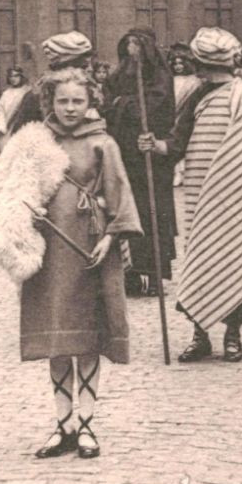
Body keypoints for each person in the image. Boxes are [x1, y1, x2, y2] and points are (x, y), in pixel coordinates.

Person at [0, 68, 140, 460]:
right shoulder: (34, 140)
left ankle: (85, 425)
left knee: (88, 337)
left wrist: (110, 240)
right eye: (62, 100)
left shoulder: (104, 143)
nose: (69, 108)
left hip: (90, 249)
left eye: (77, 101)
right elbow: (12, 188)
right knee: (58, 337)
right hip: (48, 252)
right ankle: (62, 424)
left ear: (91, 102)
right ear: (50, 102)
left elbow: (120, 196)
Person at [138, 29, 242, 363]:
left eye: (207, 68)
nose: (204, 74)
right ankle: (200, 335)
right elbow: (178, 141)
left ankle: (233, 335)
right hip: (198, 193)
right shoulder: (196, 96)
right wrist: (157, 146)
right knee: (201, 260)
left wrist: (231, 178)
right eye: (203, 68)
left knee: (234, 259)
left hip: (236, 197)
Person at [103, 28, 177, 299]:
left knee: (154, 214)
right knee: (125, 211)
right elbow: (107, 105)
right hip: (123, 153)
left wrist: (125, 104)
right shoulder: (116, 76)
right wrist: (125, 104)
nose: (132, 49)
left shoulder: (160, 76)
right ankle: (131, 274)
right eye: (128, 43)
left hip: (150, 156)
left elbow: (158, 106)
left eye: (137, 44)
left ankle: (157, 275)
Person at [5, 31, 95, 134]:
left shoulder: (89, 92)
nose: (90, 69)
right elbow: (20, 139)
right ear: (65, 68)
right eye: (84, 66)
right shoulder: (36, 97)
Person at [0, 67, 29, 152]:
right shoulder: (6, 94)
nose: (13, 79)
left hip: (22, 128)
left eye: (16, 76)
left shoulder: (27, 92)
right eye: (11, 76)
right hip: (7, 129)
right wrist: (2, 125)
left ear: (21, 77)